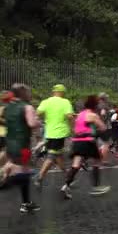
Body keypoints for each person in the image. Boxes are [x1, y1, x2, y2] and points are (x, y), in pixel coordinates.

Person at [61, 95, 111, 199]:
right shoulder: (92, 115)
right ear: (95, 106)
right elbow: (103, 127)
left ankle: (66, 185)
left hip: (76, 141)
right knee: (97, 161)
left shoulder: (80, 114)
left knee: (76, 164)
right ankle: (96, 187)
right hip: (87, 141)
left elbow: (75, 128)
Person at [5, 84, 41, 213]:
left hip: (10, 143)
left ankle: (26, 202)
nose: (30, 94)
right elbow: (32, 123)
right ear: (23, 93)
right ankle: (25, 203)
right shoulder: (27, 107)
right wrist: (38, 121)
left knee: (18, 169)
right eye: (28, 92)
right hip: (22, 146)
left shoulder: (8, 107)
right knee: (24, 172)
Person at [34, 84, 74, 189]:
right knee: (51, 157)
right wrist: (74, 128)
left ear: (53, 92)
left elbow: (37, 113)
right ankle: (40, 177)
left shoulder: (46, 102)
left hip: (49, 133)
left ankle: (67, 176)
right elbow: (70, 116)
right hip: (59, 134)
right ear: (62, 92)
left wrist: (44, 121)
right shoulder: (65, 102)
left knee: (58, 155)